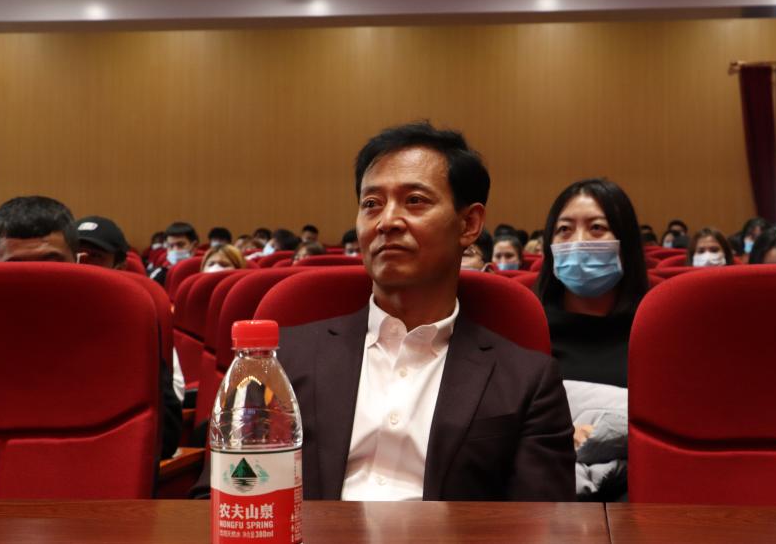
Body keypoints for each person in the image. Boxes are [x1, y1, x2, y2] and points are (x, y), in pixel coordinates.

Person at [192, 122, 575, 501]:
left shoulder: (527, 381)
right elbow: (220, 500)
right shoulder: (279, 363)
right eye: (371, 204)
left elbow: (543, 523)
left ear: (469, 224)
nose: (387, 221)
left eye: (415, 201)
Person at [0, 197, 182, 459]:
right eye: (17, 267)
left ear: (77, 262)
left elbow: (162, 437)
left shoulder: (123, 326)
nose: (36, 278)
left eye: (51, 263)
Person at [535, 178, 649, 501]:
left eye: (597, 228)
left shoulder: (655, 328)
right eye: (564, 230)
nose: (578, 242)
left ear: (625, 242)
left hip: (642, 496)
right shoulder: (526, 325)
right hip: (546, 497)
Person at [76, 214, 188, 411]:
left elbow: (175, 394)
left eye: (95, 256)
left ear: (119, 266)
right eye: (76, 255)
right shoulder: (46, 313)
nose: (83, 263)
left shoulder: (139, 314)